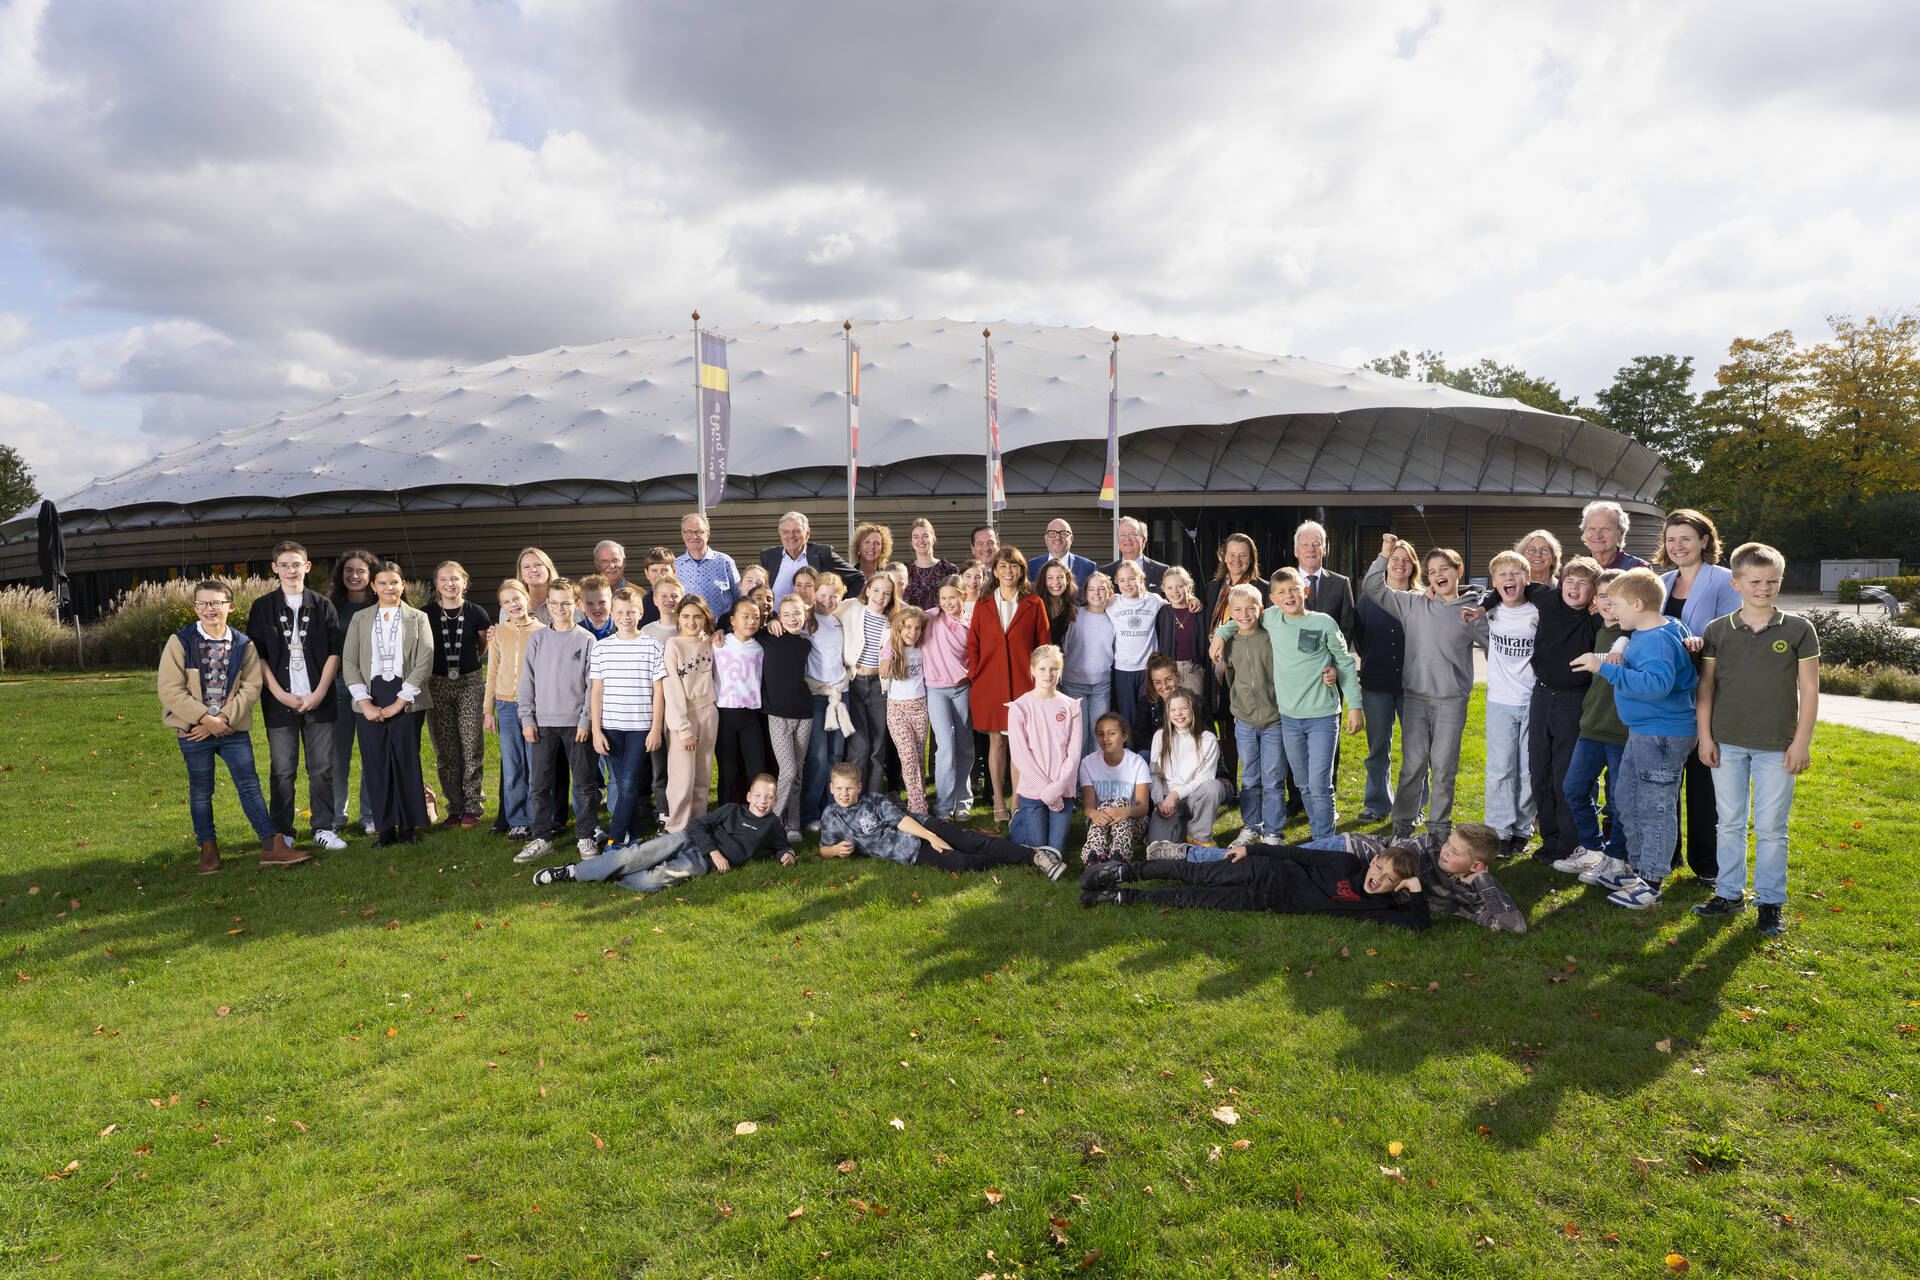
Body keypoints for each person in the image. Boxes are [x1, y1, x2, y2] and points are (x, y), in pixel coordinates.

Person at [1692, 543, 1819, 937]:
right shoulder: (1717, 630)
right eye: (1755, 581)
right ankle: (1729, 893)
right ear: (1736, 583)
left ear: (1780, 581)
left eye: (1772, 581)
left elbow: (1809, 690)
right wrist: (1705, 737)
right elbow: (1706, 687)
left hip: (1778, 745)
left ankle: (1770, 902)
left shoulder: (1798, 629)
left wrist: (1801, 742)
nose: (1764, 588)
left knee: (1771, 827)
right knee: (1728, 822)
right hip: (1726, 742)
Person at [1569, 568, 1699, 910]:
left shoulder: (1655, 639)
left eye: (1616, 604)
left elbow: (1657, 685)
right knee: (1627, 798)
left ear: (1638, 604)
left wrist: (1605, 669)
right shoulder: (1660, 627)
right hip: (1643, 732)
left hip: (1662, 734)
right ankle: (1637, 870)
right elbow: (1672, 638)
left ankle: (1651, 882)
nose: (1611, 610)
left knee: (1654, 807)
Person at [160, 580, 302, 873]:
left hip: (232, 730)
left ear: (231, 607)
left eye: (216, 603)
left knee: (249, 786)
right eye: (202, 603)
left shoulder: (242, 644)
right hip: (194, 730)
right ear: (195, 608)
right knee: (201, 790)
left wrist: (222, 720)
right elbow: (170, 690)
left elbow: (251, 687)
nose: (208, 609)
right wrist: (205, 720)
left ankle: (271, 846)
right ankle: (208, 851)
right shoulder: (180, 641)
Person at [1212, 567, 1362, 842]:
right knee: (1303, 782)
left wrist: (1354, 705)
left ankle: (1324, 839)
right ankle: (1317, 834)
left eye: (1294, 589)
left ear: (1305, 591)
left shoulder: (1323, 623)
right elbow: (1241, 618)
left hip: (1322, 714)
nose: (1289, 596)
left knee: (1319, 783)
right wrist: (1221, 634)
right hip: (1289, 718)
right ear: (1273, 599)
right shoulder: (1271, 618)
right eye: (1281, 592)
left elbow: (1343, 662)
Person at [1477, 557, 1604, 864]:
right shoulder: (1546, 598)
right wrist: (1483, 607)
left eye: (1583, 584)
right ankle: (1541, 839)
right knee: (1537, 770)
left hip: (1573, 702)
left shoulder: (1596, 619)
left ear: (1594, 592)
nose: (1574, 588)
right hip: (1540, 697)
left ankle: (1565, 842)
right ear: (1561, 584)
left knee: (1561, 774)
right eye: (1570, 581)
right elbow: (1508, 585)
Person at [1360, 538, 1487, 839]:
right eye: (1432, 571)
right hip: (1416, 699)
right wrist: (1385, 553)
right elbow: (1372, 587)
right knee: (1412, 767)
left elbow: (1497, 647)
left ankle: (1439, 830)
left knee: (1443, 769)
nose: (1438, 575)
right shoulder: (1414, 603)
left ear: (1458, 571)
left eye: (1444, 569)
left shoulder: (1472, 611)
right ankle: (1402, 827)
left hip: (1451, 703)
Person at [1656, 508, 1742, 884]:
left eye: (1686, 538)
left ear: (1704, 540)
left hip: (1709, 691)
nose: (1678, 546)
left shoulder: (1724, 580)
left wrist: (1701, 643)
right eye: (1671, 539)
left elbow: (1733, 634)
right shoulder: (1661, 582)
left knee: (1704, 778)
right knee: (1666, 777)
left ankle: (1707, 863)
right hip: (1668, 695)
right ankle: (1668, 852)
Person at [1079, 840, 1429, 931]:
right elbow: (1297, 854)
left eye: (1388, 879)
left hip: (1262, 900)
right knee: (1195, 874)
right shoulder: (1347, 864)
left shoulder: (1378, 907)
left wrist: (1415, 887)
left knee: (1191, 897)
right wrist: (1252, 850)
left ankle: (1122, 897)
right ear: (1373, 859)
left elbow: (1419, 925)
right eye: (1378, 867)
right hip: (1265, 870)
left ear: (1398, 887)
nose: (1376, 878)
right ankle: (1123, 872)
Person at [534, 774, 796, 891]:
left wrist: (787, 855)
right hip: (688, 840)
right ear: (749, 796)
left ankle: (610, 871)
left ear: (775, 801)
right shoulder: (732, 810)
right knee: (633, 856)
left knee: (653, 880)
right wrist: (715, 852)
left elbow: (781, 845)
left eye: (768, 797)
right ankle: (573, 871)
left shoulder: (772, 825)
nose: (762, 801)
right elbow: (696, 825)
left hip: (701, 862)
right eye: (758, 795)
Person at [247, 540, 344, 852]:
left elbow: (334, 652)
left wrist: (319, 692)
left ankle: (323, 828)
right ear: (275, 568)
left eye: (296, 564)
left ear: (307, 567)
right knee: (282, 771)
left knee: (322, 769)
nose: (291, 570)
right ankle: (283, 831)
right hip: (280, 703)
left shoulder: (323, 605)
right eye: (285, 565)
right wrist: (279, 694)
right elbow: (258, 656)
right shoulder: (263, 607)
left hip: (319, 699)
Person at [819, 762, 1067, 878]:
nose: (844, 794)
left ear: (859, 787)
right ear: (831, 788)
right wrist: (835, 850)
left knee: (971, 841)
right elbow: (824, 849)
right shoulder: (831, 815)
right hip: (910, 851)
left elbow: (901, 821)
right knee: (961, 862)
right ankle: (1012, 853)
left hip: (923, 827)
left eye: (849, 788)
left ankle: (1035, 857)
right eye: (839, 789)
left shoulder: (873, 800)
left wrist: (932, 837)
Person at [343, 561, 435, 848]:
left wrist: (399, 702)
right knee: (376, 762)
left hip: (407, 694)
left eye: (394, 582)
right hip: (370, 694)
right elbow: (349, 662)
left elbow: (425, 660)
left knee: (406, 760)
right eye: (382, 583)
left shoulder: (418, 618)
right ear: (373, 586)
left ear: (403, 585)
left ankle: (408, 827)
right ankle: (384, 827)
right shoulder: (360, 619)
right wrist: (365, 703)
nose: (388, 588)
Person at [515, 578, 601, 864]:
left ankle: (586, 836)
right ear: (547, 605)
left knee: (584, 784)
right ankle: (542, 837)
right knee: (540, 784)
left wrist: (586, 720)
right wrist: (527, 718)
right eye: (554, 603)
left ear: (576, 605)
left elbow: (593, 685)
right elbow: (526, 681)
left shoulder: (586, 640)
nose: (560, 608)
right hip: (542, 724)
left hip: (577, 725)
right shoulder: (537, 639)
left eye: (566, 603)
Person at [1552, 570, 1631, 878]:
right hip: (1592, 726)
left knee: (1620, 801)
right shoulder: (1597, 629)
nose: (1608, 602)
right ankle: (1592, 849)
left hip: (1623, 731)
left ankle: (1617, 858)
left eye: (1615, 595)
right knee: (1574, 789)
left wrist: (1624, 640)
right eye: (1603, 595)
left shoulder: (1634, 634)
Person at [968, 548, 1052, 825]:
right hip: (990, 683)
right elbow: (973, 644)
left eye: (1014, 566)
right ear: (994, 571)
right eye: (1003, 566)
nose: (1008, 571)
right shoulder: (983, 604)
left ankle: (1016, 800)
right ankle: (997, 800)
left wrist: (1038, 680)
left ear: (1021, 571)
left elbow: (1044, 645)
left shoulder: (1034, 603)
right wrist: (976, 674)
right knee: (997, 741)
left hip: (1023, 684)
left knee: (1020, 745)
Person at [578, 586, 661, 855]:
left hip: (640, 728)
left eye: (631, 612)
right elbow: (596, 692)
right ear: (613, 614)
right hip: (611, 727)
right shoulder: (602, 648)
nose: (626, 617)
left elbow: (659, 691)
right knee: (624, 784)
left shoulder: (653, 645)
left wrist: (656, 729)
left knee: (628, 784)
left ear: (641, 613)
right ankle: (636, 836)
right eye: (621, 612)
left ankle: (614, 839)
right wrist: (596, 730)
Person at [1339, 823, 1526, 932]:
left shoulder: (1469, 893)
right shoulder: (1425, 847)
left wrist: (1482, 879)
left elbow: (1515, 926)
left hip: (1348, 880)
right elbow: (1386, 871)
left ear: (1476, 866)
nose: (1445, 852)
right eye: (1448, 843)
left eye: (1455, 852)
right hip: (1349, 850)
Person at [1351, 537, 1418, 824]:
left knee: (1416, 751)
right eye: (1395, 559)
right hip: (1376, 684)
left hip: (1414, 687)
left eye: (1406, 560)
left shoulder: (1422, 599)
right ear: (1386, 564)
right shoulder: (1369, 599)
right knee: (1378, 748)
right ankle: (1377, 804)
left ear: (1413, 566)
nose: (1400, 564)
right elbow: (1360, 638)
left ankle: (1414, 808)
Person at [423, 560, 493, 828]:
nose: (449, 584)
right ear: (436, 584)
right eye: (443, 579)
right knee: (446, 750)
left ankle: (473, 806)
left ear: (464, 581)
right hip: (437, 683)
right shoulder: (425, 614)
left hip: (469, 683)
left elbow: (482, 645)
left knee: (471, 745)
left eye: (455, 578)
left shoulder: (477, 612)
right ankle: (455, 806)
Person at [1481, 550, 1540, 858]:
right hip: (1500, 701)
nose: (1509, 578)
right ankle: (1499, 831)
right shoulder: (1488, 609)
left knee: (1528, 770)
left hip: (1533, 700)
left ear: (1526, 579)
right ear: (1494, 581)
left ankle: (1522, 829)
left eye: (1515, 573)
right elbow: (1453, 593)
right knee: (1500, 769)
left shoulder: (1540, 610)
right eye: (1502, 574)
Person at [1217, 584, 1285, 846]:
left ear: (1261, 609)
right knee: (1249, 777)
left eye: (1250, 608)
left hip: (1274, 719)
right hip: (1244, 720)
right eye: (1237, 610)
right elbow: (1231, 678)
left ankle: (1274, 831)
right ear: (1230, 613)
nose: (1244, 614)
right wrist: (1238, 706)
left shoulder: (1271, 637)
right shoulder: (1230, 642)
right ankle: (1251, 826)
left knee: (1273, 777)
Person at [1006, 644, 1082, 852]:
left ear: (1060, 671)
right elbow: (1020, 757)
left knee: (1056, 849)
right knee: (1037, 848)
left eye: (1053, 669)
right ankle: (1018, 819)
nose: (1048, 674)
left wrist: (1056, 789)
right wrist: (1046, 791)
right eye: (1042, 669)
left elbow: (1074, 754)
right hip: (1033, 791)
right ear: (1032, 670)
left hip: (1062, 790)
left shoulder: (1071, 706)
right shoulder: (1020, 707)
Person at [483, 578, 543, 839]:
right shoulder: (500, 633)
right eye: (506, 602)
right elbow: (492, 671)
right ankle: (518, 820)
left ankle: (539, 818)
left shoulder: (542, 631)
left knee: (536, 765)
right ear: (502, 607)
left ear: (526, 599)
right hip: (506, 706)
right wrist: (488, 710)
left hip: (535, 707)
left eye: (516, 599)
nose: (513, 605)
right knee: (512, 765)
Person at [1205, 534, 1262, 799]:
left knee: (1240, 726)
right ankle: (1229, 784)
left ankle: (1250, 787)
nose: (1236, 560)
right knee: (1220, 724)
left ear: (1251, 558)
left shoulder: (1261, 588)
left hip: (1245, 668)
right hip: (1214, 666)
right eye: (1231, 555)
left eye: (1243, 555)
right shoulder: (1213, 588)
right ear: (1223, 557)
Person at [327, 548, 380, 834]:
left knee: (371, 753)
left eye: (361, 570)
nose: (354, 575)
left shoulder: (382, 606)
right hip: (339, 687)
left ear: (371, 575)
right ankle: (337, 815)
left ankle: (370, 815)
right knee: (339, 757)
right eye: (349, 570)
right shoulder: (330, 608)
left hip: (373, 688)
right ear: (341, 574)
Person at [657, 596, 719, 833]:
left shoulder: (711, 642)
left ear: (705, 618)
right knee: (682, 780)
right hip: (683, 718)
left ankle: (698, 825)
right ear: (678, 618)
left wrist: (719, 633)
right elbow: (672, 690)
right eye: (685, 616)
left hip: (709, 714)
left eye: (697, 616)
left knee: (702, 777)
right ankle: (677, 829)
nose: (691, 622)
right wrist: (684, 729)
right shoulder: (673, 645)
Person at [798, 572, 854, 829]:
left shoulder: (839, 621)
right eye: (822, 595)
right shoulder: (805, 621)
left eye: (834, 596)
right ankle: (810, 813)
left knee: (836, 755)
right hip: (817, 696)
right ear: (814, 593)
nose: (827, 600)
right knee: (818, 757)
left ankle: (832, 809)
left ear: (841, 596)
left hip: (841, 695)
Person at [761, 594, 817, 842]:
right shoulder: (767, 637)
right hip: (778, 715)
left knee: (798, 772)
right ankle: (770, 822)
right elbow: (739, 627)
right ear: (779, 616)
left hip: (804, 713)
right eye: (786, 614)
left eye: (797, 614)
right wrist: (770, 621)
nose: (792, 619)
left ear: (805, 616)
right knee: (789, 769)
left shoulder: (806, 644)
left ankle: (792, 825)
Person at [839, 571, 899, 797]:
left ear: (892, 597)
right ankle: (852, 798)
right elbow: (822, 613)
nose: (880, 597)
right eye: (876, 590)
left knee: (877, 747)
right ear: (867, 590)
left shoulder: (893, 619)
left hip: (879, 686)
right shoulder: (851, 607)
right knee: (860, 746)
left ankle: (873, 799)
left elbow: (919, 617)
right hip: (854, 683)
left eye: (886, 593)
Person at [922, 576, 976, 820]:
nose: (947, 602)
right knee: (945, 747)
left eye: (952, 597)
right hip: (936, 690)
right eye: (943, 598)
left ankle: (962, 802)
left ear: (963, 596)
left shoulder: (971, 622)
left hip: (962, 689)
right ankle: (943, 807)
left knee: (964, 746)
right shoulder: (930, 617)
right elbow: (900, 627)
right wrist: (887, 656)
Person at [1147, 689, 1224, 846]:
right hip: (1168, 801)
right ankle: (1182, 829)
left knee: (1214, 787)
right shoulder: (1160, 736)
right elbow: (1155, 775)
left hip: (1195, 798)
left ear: (1193, 710)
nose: (1178, 714)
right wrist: (1159, 802)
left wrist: (1175, 795)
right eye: (1173, 710)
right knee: (1157, 844)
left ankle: (1200, 836)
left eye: (1183, 708)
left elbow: (1205, 778)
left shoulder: (1207, 739)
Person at [712, 596, 768, 808]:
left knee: (757, 769)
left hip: (750, 717)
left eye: (756, 617)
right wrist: (717, 631)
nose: (751, 621)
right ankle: (724, 814)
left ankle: (757, 814)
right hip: (724, 716)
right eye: (745, 617)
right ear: (733, 620)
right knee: (727, 771)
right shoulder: (718, 644)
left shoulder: (761, 648)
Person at [1078, 711, 1152, 864]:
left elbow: (1143, 808)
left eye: (1112, 733)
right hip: (1100, 824)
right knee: (1105, 805)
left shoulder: (1137, 763)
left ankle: (1112, 855)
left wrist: (1125, 811)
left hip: (1132, 824)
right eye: (1101, 734)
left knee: (1121, 801)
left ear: (1124, 736)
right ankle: (1101, 856)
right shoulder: (1088, 763)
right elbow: (1088, 807)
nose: (1105, 739)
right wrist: (1095, 814)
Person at [881, 605, 932, 815]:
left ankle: (919, 797)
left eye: (917, 628)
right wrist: (886, 657)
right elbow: (888, 648)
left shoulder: (923, 646)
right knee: (908, 756)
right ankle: (918, 807)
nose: (913, 632)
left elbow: (933, 615)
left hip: (920, 706)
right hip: (897, 709)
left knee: (918, 757)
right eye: (908, 627)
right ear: (899, 629)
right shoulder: (893, 648)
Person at [1062, 571, 1116, 761]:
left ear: (1110, 593)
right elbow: (1064, 648)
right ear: (1085, 593)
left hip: (1101, 685)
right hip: (1074, 684)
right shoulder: (1075, 616)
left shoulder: (1113, 617)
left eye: (1102, 589)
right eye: (1092, 589)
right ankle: (1077, 779)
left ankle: (1095, 777)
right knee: (1079, 736)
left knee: (1099, 735)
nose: (1097, 593)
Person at [1106, 560, 1165, 730]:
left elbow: (1177, 606)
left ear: (1141, 578)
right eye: (1122, 580)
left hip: (1148, 669)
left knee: (1149, 715)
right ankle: (1130, 747)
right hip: (1123, 670)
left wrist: (1192, 598)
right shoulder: (1113, 602)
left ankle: (1149, 746)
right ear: (1117, 583)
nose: (1127, 584)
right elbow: (1091, 605)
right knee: (1127, 718)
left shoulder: (1154, 601)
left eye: (1131, 579)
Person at [762, 510, 863, 604]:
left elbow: (858, 578)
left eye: (797, 531)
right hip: (777, 617)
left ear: (807, 533)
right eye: (785, 531)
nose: (791, 535)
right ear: (780, 534)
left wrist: (843, 607)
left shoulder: (823, 554)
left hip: (815, 616)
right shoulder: (768, 557)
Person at [1154, 566, 1213, 712]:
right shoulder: (1162, 613)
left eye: (1180, 586)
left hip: (1194, 669)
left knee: (1195, 710)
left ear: (1189, 587)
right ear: (1164, 590)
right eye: (1169, 588)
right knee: (1171, 712)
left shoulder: (1200, 612)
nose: (1175, 591)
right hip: (1169, 671)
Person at [675, 512, 743, 616]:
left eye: (699, 532)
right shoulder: (675, 566)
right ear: (683, 534)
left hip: (720, 625)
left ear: (707, 534)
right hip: (688, 625)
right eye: (689, 531)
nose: (694, 536)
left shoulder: (724, 562)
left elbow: (740, 595)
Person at [1025, 519, 1097, 593]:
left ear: (1071, 539)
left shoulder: (1088, 567)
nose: (1058, 538)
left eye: (1063, 533)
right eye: (1052, 533)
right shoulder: (1030, 567)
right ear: (1046, 538)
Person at [1100, 516, 1168, 594]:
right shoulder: (1105, 572)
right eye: (1122, 535)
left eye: (1133, 534)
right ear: (1118, 540)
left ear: (1143, 540)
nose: (1127, 539)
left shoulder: (1162, 571)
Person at [903, 517, 959, 610]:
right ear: (911, 542)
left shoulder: (949, 570)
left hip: (943, 619)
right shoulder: (905, 571)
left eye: (925, 536)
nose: (921, 541)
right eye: (916, 537)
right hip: (912, 619)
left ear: (933, 539)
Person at [1129, 655, 1183, 752]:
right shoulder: (1146, 703)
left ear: (1178, 676)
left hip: (1186, 752)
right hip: (1157, 751)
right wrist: (1164, 747)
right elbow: (1139, 739)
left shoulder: (1195, 702)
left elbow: (1205, 736)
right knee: (1144, 754)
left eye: (1168, 679)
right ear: (1152, 684)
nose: (1164, 686)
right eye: (1158, 682)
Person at [1579, 500, 1648, 571]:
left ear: (1621, 533)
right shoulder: (1576, 569)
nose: (1597, 536)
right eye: (1592, 529)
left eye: (1605, 529)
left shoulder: (1639, 569)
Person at [1037, 560, 1078, 659]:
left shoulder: (1070, 607)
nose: (1056, 582)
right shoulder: (1035, 605)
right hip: (1038, 662)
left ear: (1067, 580)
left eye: (1060, 577)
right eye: (1050, 578)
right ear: (1043, 581)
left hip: (1059, 662)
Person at [516, 546, 560, 624]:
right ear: (521, 574)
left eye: (538, 564)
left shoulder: (566, 600)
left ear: (548, 569)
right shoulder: (511, 604)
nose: (533, 570)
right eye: (526, 566)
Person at [852, 521, 894, 591]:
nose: (872, 547)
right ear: (859, 547)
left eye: (877, 543)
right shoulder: (848, 576)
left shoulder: (888, 578)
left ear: (883, 549)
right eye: (867, 542)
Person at [574, 574, 616, 640]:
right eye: (590, 604)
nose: (596, 608)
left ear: (612, 602)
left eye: (602, 602)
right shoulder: (575, 633)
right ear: (581, 605)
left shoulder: (623, 629)